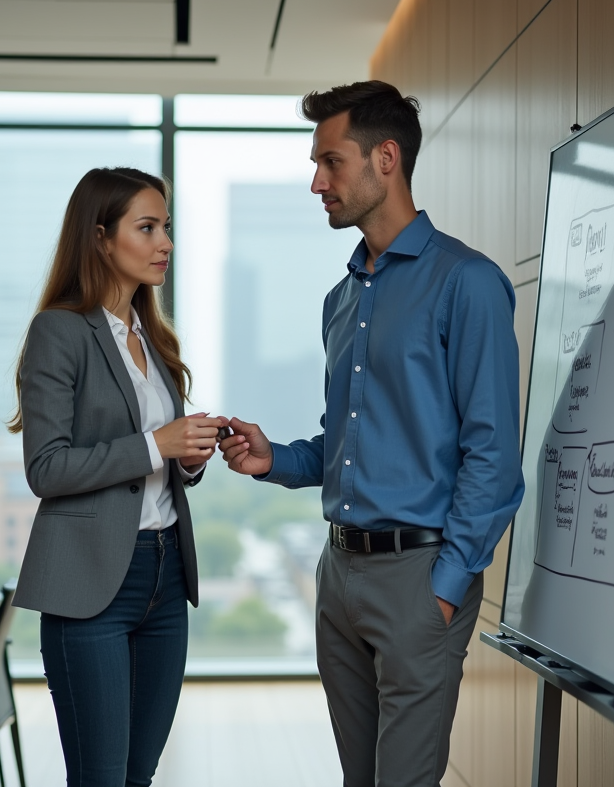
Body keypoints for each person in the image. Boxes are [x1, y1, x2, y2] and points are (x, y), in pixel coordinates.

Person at [217, 81, 525, 786]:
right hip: (339, 577)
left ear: (386, 159)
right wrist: (277, 460)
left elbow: (494, 456)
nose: (317, 182)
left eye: (331, 162)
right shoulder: (343, 297)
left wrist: (446, 587)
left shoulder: (467, 282)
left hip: (419, 579)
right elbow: (348, 447)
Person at [8, 166, 224, 787]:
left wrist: (187, 457)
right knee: (100, 779)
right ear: (101, 238)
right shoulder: (60, 331)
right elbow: (46, 468)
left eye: (167, 228)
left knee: (137, 776)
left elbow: (153, 463)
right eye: (148, 227)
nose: (166, 243)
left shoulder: (150, 337)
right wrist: (157, 444)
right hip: (91, 584)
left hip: (165, 575)